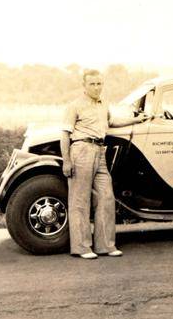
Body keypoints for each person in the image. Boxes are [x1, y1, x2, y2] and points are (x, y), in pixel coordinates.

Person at [61, 69, 149, 259]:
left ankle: (105, 246)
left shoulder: (103, 104)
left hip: (100, 151)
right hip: (81, 150)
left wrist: (135, 119)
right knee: (80, 201)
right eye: (92, 84)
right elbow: (65, 135)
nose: (96, 87)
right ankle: (82, 248)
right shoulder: (74, 106)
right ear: (84, 85)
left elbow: (112, 122)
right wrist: (67, 161)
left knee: (106, 198)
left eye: (99, 83)